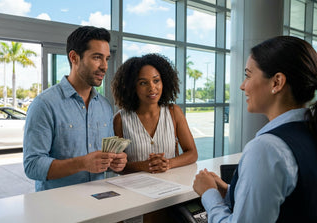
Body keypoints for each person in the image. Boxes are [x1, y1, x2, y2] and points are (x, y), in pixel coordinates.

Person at [193, 36, 317, 222]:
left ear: (277, 82)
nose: (243, 86)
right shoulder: (308, 133)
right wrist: (230, 191)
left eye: (248, 75)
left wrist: (209, 195)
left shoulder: (267, 149)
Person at [23, 26, 127, 191]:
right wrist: (82, 163)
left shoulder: (105, 106)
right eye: (97, 57)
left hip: (99, 200)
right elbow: (32, 165)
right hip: (58, 209)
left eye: (106, 58)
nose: (104, 66)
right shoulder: (44, 104)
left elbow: (104, 161)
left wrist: (115, 162)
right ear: (74, 57)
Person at [112, 53, 198, 174]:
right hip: (134, 189)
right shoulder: (120, 119)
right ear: (132, 87)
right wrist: (143, 166)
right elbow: (117, 166)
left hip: (171, 186)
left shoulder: (174, 112)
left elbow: (192, 153)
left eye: (156, 80)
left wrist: (168, 163)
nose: (152, 88)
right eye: (143, 83)